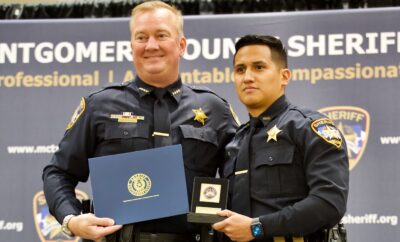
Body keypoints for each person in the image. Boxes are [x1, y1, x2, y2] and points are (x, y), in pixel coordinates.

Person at [42, 1, 238, 242]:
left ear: (181, 45)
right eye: (141, 37)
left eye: (161, 35)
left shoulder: (215, 109)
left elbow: (242, 179)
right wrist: (71, 220)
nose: (151, 45)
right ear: (131, 46)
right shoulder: (99, 105)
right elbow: (58, 172)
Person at [212, 35, 349, 242]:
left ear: (284, 76)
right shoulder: (234, 142)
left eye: (259, 67)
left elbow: (329, 203)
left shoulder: (308, 127)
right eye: (240, 69)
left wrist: (256, 228)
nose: (247, 77)